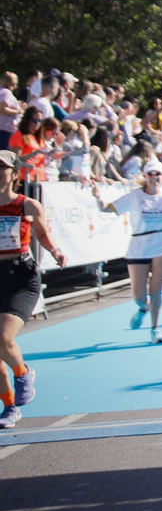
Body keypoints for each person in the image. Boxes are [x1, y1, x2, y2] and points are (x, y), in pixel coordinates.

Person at [92, 161, 162, 343]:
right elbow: (105, 208)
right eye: (150, 174)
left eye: (158, 174)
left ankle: (155, 329)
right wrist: (97, 196)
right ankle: (143, 309)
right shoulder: (134, 196)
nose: (154, 177)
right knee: (139, 296)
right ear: (145, 177)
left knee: (156, 290)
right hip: (139, 246)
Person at [0, 150, 68, 427]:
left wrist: (56, 251)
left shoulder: (27, 205)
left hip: (21, 278)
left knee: (3, 337)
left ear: (14, 174)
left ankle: (23, 373)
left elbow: (42, 234)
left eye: (2, 167)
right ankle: (9, 407)